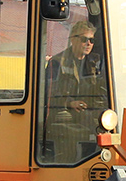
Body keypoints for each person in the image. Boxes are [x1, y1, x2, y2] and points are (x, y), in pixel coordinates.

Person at [43, 20, 107, 161]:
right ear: (73, 39)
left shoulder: (94, 62)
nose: (89, 44)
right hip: (62, 110)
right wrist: (70, 103)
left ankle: (97, 162)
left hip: (86, 110)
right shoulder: (57, 62)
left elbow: (100, 88)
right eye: (84, 39)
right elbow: (49, 92)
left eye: (91, 40)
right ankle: (67, 161)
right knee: (68, 126)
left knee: (106, 124)